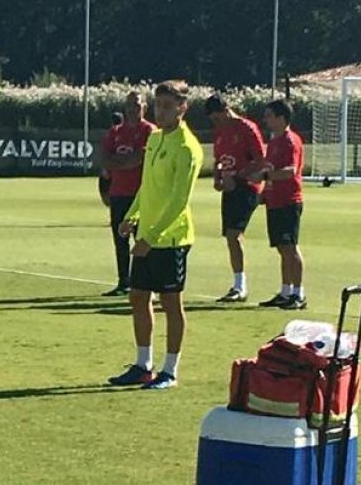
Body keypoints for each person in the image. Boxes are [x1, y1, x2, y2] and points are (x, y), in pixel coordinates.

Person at [109, 80, 203, 391]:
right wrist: (131, 216)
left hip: (170, 239)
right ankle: (143, 365)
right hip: (146, 236)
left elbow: (179, 200)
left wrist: (152, 237)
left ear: (182, 108)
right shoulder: (154, 139)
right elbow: (146, 186)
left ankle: (170, 370)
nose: (161, 111)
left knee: (171, 302)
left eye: (167, 106)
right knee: (138, 297)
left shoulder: (187, 147)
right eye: (158, 105)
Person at [206, 94, 267, 303]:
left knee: (234, 234)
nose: (216, 123)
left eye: (217, 118)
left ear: (226, 109)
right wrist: (218, 178)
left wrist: (238, 176)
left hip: (247, 186)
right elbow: (218, 160)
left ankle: (241, 286)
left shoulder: (246, 128)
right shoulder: (220, 132)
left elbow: (260, 160)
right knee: (229, 236)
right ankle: (237, 283)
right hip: (230, 188)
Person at [99, 93, 156, 296]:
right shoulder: (115, 132)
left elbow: (138, 159)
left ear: (144, 107)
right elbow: (104, 159)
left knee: (142, 239)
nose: (133, 109)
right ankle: (124, 281)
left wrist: (118, 163)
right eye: (129, 105)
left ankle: (145, 282)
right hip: (118, 193)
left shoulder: (149, 131)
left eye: (137, 105)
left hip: (142, 195)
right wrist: (121, 163)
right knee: (120, 239)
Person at [255, 99, 307, 310]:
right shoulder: (275, 141)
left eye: (269, 116)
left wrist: (266, 175)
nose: (266, 120)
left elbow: (290, 171)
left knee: (290, 247)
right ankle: (285, 292)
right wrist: (264, 193)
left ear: (281, 118)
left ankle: (298, 293)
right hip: (275, 201)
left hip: (289, 201)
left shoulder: (289, 141)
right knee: (282, 249)